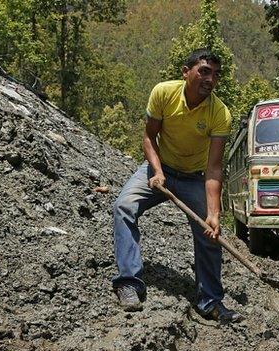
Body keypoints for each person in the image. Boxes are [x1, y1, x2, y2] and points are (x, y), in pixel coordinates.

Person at [111, 48, 243, 323]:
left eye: (215, 75)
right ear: (186, 72)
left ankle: (209, 301)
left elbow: (214, 167)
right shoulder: (163, 93)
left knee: (209, 232)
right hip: (161, 169)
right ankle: (129, 283)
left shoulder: (220, 113)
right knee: (124, 206)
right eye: (204, 71)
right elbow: (149, 137)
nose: (210, 79)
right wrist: (157, 172)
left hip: (195, 176)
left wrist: (214, 213)